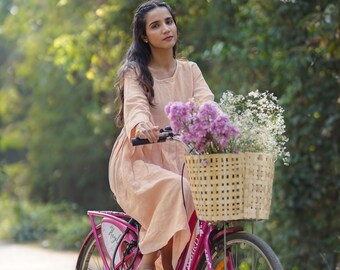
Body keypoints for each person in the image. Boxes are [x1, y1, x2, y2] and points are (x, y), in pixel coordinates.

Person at [108, 1, 214, 269]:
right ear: (144, 36)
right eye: (155, 25)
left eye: (169, 21)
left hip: (180, 159)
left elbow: (206, 102)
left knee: (193, 197)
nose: (166, 28)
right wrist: (142, 125)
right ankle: (147, 263)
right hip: (140, 157)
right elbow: (136, 106)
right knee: (176, 190)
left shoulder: (191, 70)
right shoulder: (136, 72)